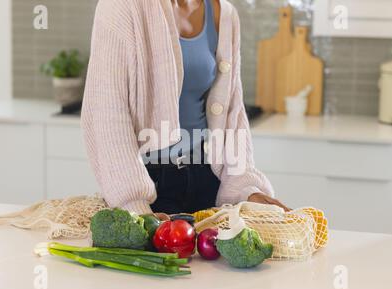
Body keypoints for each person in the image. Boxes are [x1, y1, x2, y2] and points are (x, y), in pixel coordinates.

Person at [82, 0, 290, 215]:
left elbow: (232, 114)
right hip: (148, 185)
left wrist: (245, 189)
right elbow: (107, 111)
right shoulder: (122, 6)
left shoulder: (223, 14)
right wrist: (132, 205)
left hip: (206, 177)